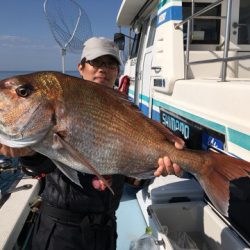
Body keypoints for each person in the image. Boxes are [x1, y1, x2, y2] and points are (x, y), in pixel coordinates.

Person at [0, 37, 183, 250]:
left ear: (117, 71)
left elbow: (133, 180)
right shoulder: (64, 99)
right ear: (81, 67)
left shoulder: (127, 112)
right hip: (60, 232)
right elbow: (43, 166)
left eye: (110, 63)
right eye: (96, 62)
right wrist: (27, 153)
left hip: (105, 230)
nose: (103, 69)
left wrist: (156, 168)